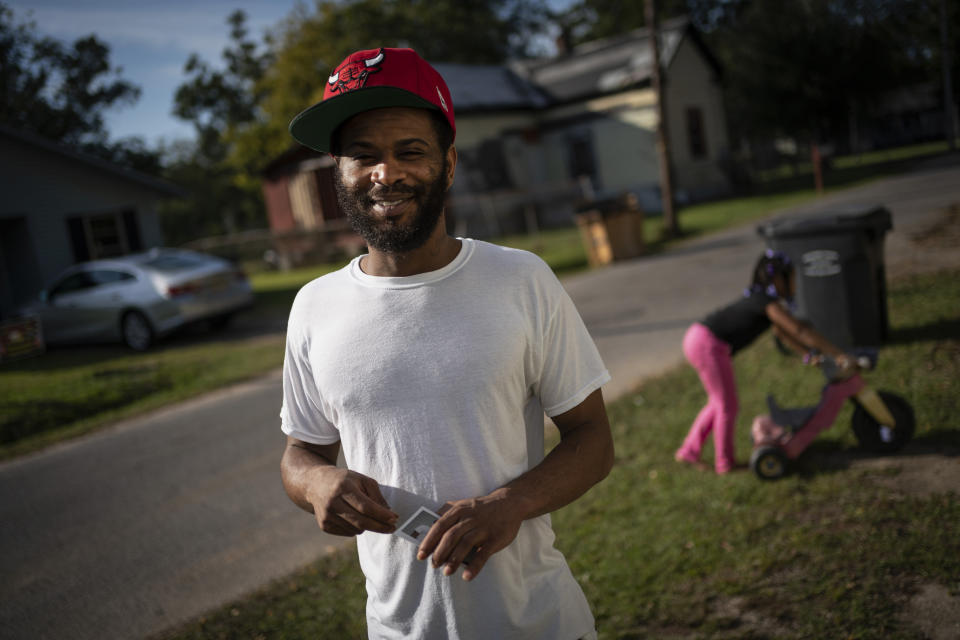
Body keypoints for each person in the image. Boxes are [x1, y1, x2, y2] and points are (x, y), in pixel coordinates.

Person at [279, 47, 614, 640]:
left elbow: (592, 440)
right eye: (363, 155)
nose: (386, 173)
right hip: (398, 630)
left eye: (410, 151)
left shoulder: (521, 279)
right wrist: (316, 484)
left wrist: (510, 504)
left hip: (539, 623)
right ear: (340, 171)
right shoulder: (314, 307)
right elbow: (300, 454)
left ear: (450, 164)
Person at [674, 249, 853, 473]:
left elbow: (783, 334)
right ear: (778, 278)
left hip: (698, 337)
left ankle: (689, 451)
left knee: (717, 403)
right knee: (727, 405)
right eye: (792, 278)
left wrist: (809, 355)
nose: (795, 285)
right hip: (708, 343)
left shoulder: (763, 301)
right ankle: (725, 463)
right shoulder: (767, 302)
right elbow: (797, 329)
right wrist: (837, 353)